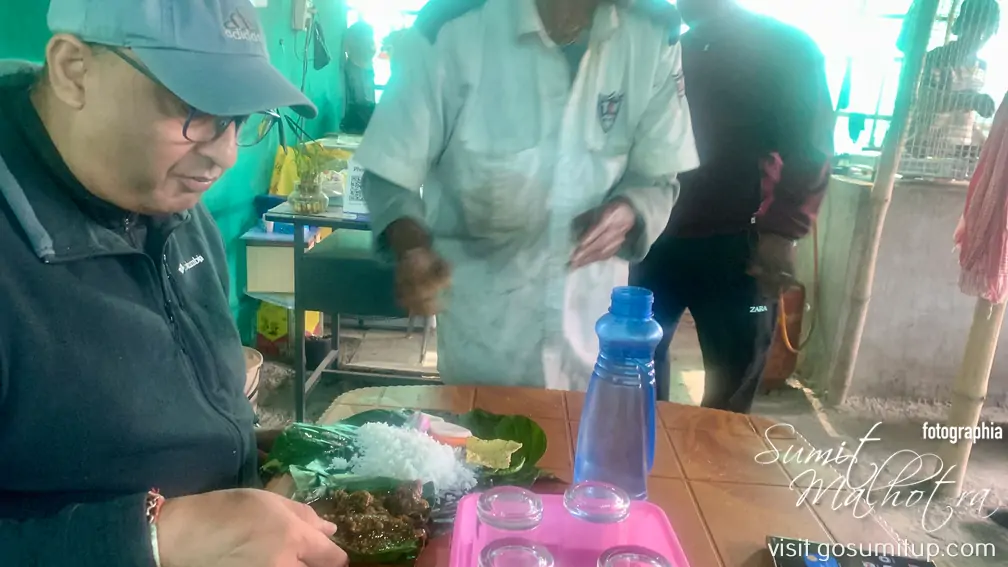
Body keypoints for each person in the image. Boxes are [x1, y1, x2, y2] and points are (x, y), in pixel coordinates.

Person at [0, 1, 348, 566]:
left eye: (241, 119)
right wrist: (154, 539)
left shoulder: (174, 206)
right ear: (73, 69)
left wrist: (263, 462)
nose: (226, 154)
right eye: (196, 108)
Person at [355, 0, 699, 391]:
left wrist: (631, 211)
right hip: (485, 349)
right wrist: (412, 249)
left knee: (585, 447)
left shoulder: (653, 32)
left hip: (595, 342)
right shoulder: (451, 28)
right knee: (483, 446)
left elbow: (659, 175)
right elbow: (389, 171)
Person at [631, 0, 835, 413]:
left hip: (742, 250)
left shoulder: (786, 48)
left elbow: (811, 148)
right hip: (654, 240)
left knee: (732, 386)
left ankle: (715, 473)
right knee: (636, 373)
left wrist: (781, 232)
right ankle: (647, 469)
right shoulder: (669, 46)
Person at [903, 0, 1001, 159]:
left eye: (987, 30)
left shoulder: (981, 67)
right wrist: (970, 100)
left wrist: (986, 144)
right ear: (962, 25)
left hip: (956, 154)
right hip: (920, 149)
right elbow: (924, 99)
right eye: (976, 28)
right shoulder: (937, 57)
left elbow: (964, 117)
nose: (981, 36)